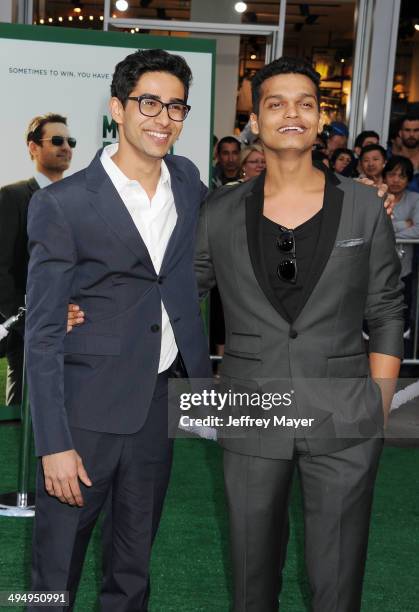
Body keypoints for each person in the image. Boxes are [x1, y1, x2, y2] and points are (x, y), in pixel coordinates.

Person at [195, 56, 404, 612]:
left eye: (306, 104)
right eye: (276, 103)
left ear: (319, 121)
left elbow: (386, 309)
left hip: (344, 415)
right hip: (250, 406)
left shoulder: (362, 205)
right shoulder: (217, 211)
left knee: (337, 586)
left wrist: (376, 411)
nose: (293, 113)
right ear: (255, 123)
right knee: (250, 582)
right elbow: (174, 294)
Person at [25, 49, 211, 611]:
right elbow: (43, 332)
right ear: (117, 108)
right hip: (85, 411)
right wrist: (53, 444)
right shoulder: (63, 203)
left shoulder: (187, 179)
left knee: (134, 564)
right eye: (148, 102)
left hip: (158, 402)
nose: (163, 118)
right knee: (55, 568)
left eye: (176, 106)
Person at [0, 113, 74, 405]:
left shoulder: (77, 199)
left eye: (70, 141)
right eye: (56, 140)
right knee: (24, 416)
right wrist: (23, 320)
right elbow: (2, 267)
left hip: (75, 330)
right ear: (33, 147)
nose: (66, 146)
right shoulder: (12, 196)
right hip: (30, 329)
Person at [384, 155, 419, 334]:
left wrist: (388, 229)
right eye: (392, 174)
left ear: (409, 180)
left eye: (402, 176)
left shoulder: (415, 199)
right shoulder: (375, 196)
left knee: (402, 317)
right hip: (376, 268)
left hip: (404, 269)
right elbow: (373, 228)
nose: (396, 180)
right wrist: (404, 224)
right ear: (385, 176)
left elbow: (418, 230)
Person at [397, 114, 419, 193]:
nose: (412, 135)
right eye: (407, 130)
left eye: (416, 130)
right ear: (400, 133)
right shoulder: (390, 160)